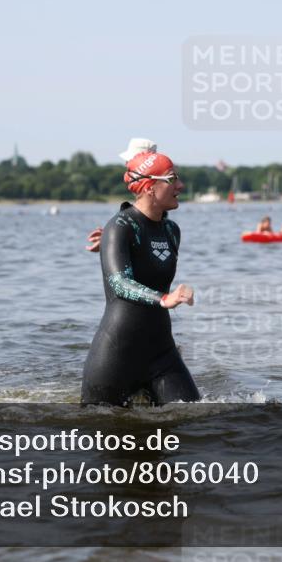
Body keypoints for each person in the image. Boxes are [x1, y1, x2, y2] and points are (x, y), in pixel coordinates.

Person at [81, 151, 200, 406]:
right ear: (149, 187)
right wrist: (164, 298)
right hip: (117, 354)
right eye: (172, 179)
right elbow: (119, 283)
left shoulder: (171, 230)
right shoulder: (119, 226)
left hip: (161, 352)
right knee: (103, 430)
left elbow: (146, 244)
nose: (180, 185)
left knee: (194, 418)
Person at [86, 138, 158, 252]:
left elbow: (152, 231)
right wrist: (113, 236)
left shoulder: (155, 196)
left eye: (129, 161)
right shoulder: (153, 194)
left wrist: (114, 238)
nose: (126, 165)